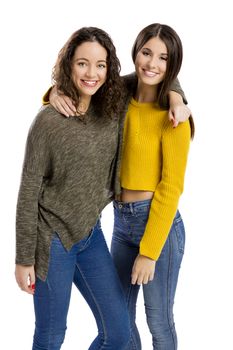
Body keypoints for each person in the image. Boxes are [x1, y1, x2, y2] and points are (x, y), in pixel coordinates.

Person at [48, 23, 194, 350]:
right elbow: (85, 84)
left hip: (159, 225)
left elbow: (171, 188)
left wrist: (149, 252)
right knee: (119, 320)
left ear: (173, 65)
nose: (152, 64)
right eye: (146, 52)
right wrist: (54, 93)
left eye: (163, 58)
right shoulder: (121, 95)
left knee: (158, 318)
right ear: (135, 52)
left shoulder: (175, 118)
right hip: (122, 222)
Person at [15, 26, 131, 350]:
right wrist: (24, 258)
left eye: (100, 65)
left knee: (119, 333)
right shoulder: (48, 122)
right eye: (82, 63)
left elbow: (157, 74)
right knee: (52, 336)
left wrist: (178, 98)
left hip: (90, 235)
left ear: (110, 69)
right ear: (68, 64)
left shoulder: (111, 108)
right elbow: (27, 192)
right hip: (53, 240)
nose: (91, 73)